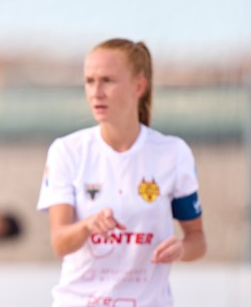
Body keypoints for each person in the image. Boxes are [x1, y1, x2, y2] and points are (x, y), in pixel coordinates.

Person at [37, 38, 206, 307]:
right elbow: (60, 243)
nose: (96, 91)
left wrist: (182, 249)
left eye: (108, 80)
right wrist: (88, 225)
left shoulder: (173, 153)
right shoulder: (67, 150)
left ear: (139, 86)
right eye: (90, 81)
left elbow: (197, 240)